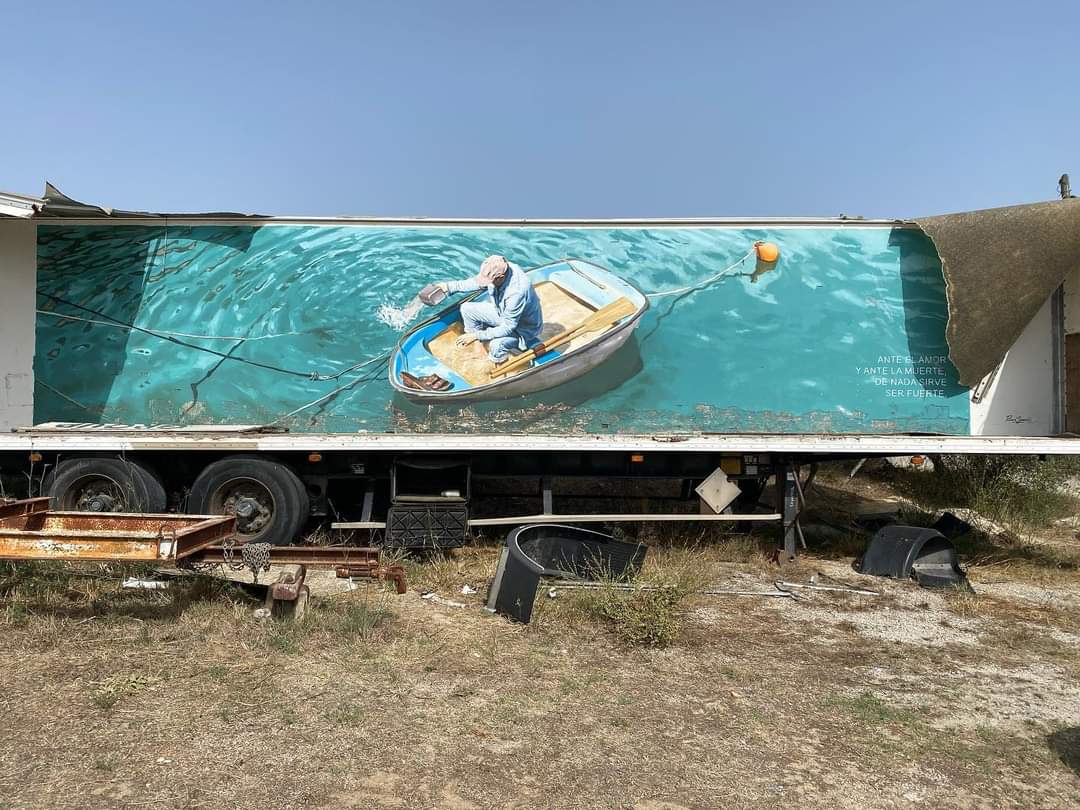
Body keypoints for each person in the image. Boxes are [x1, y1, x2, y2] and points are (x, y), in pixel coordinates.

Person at [437, 255, 543, 367]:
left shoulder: (516, 293)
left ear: (501, 277)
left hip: (522, 328)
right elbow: (476, 283)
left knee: (496, 345)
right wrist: (448, 287)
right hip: (502, 313)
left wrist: (476, 335)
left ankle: (500, 366)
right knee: (467, 308)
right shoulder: (500, 267)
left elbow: (508, 327)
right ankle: (479, 350)